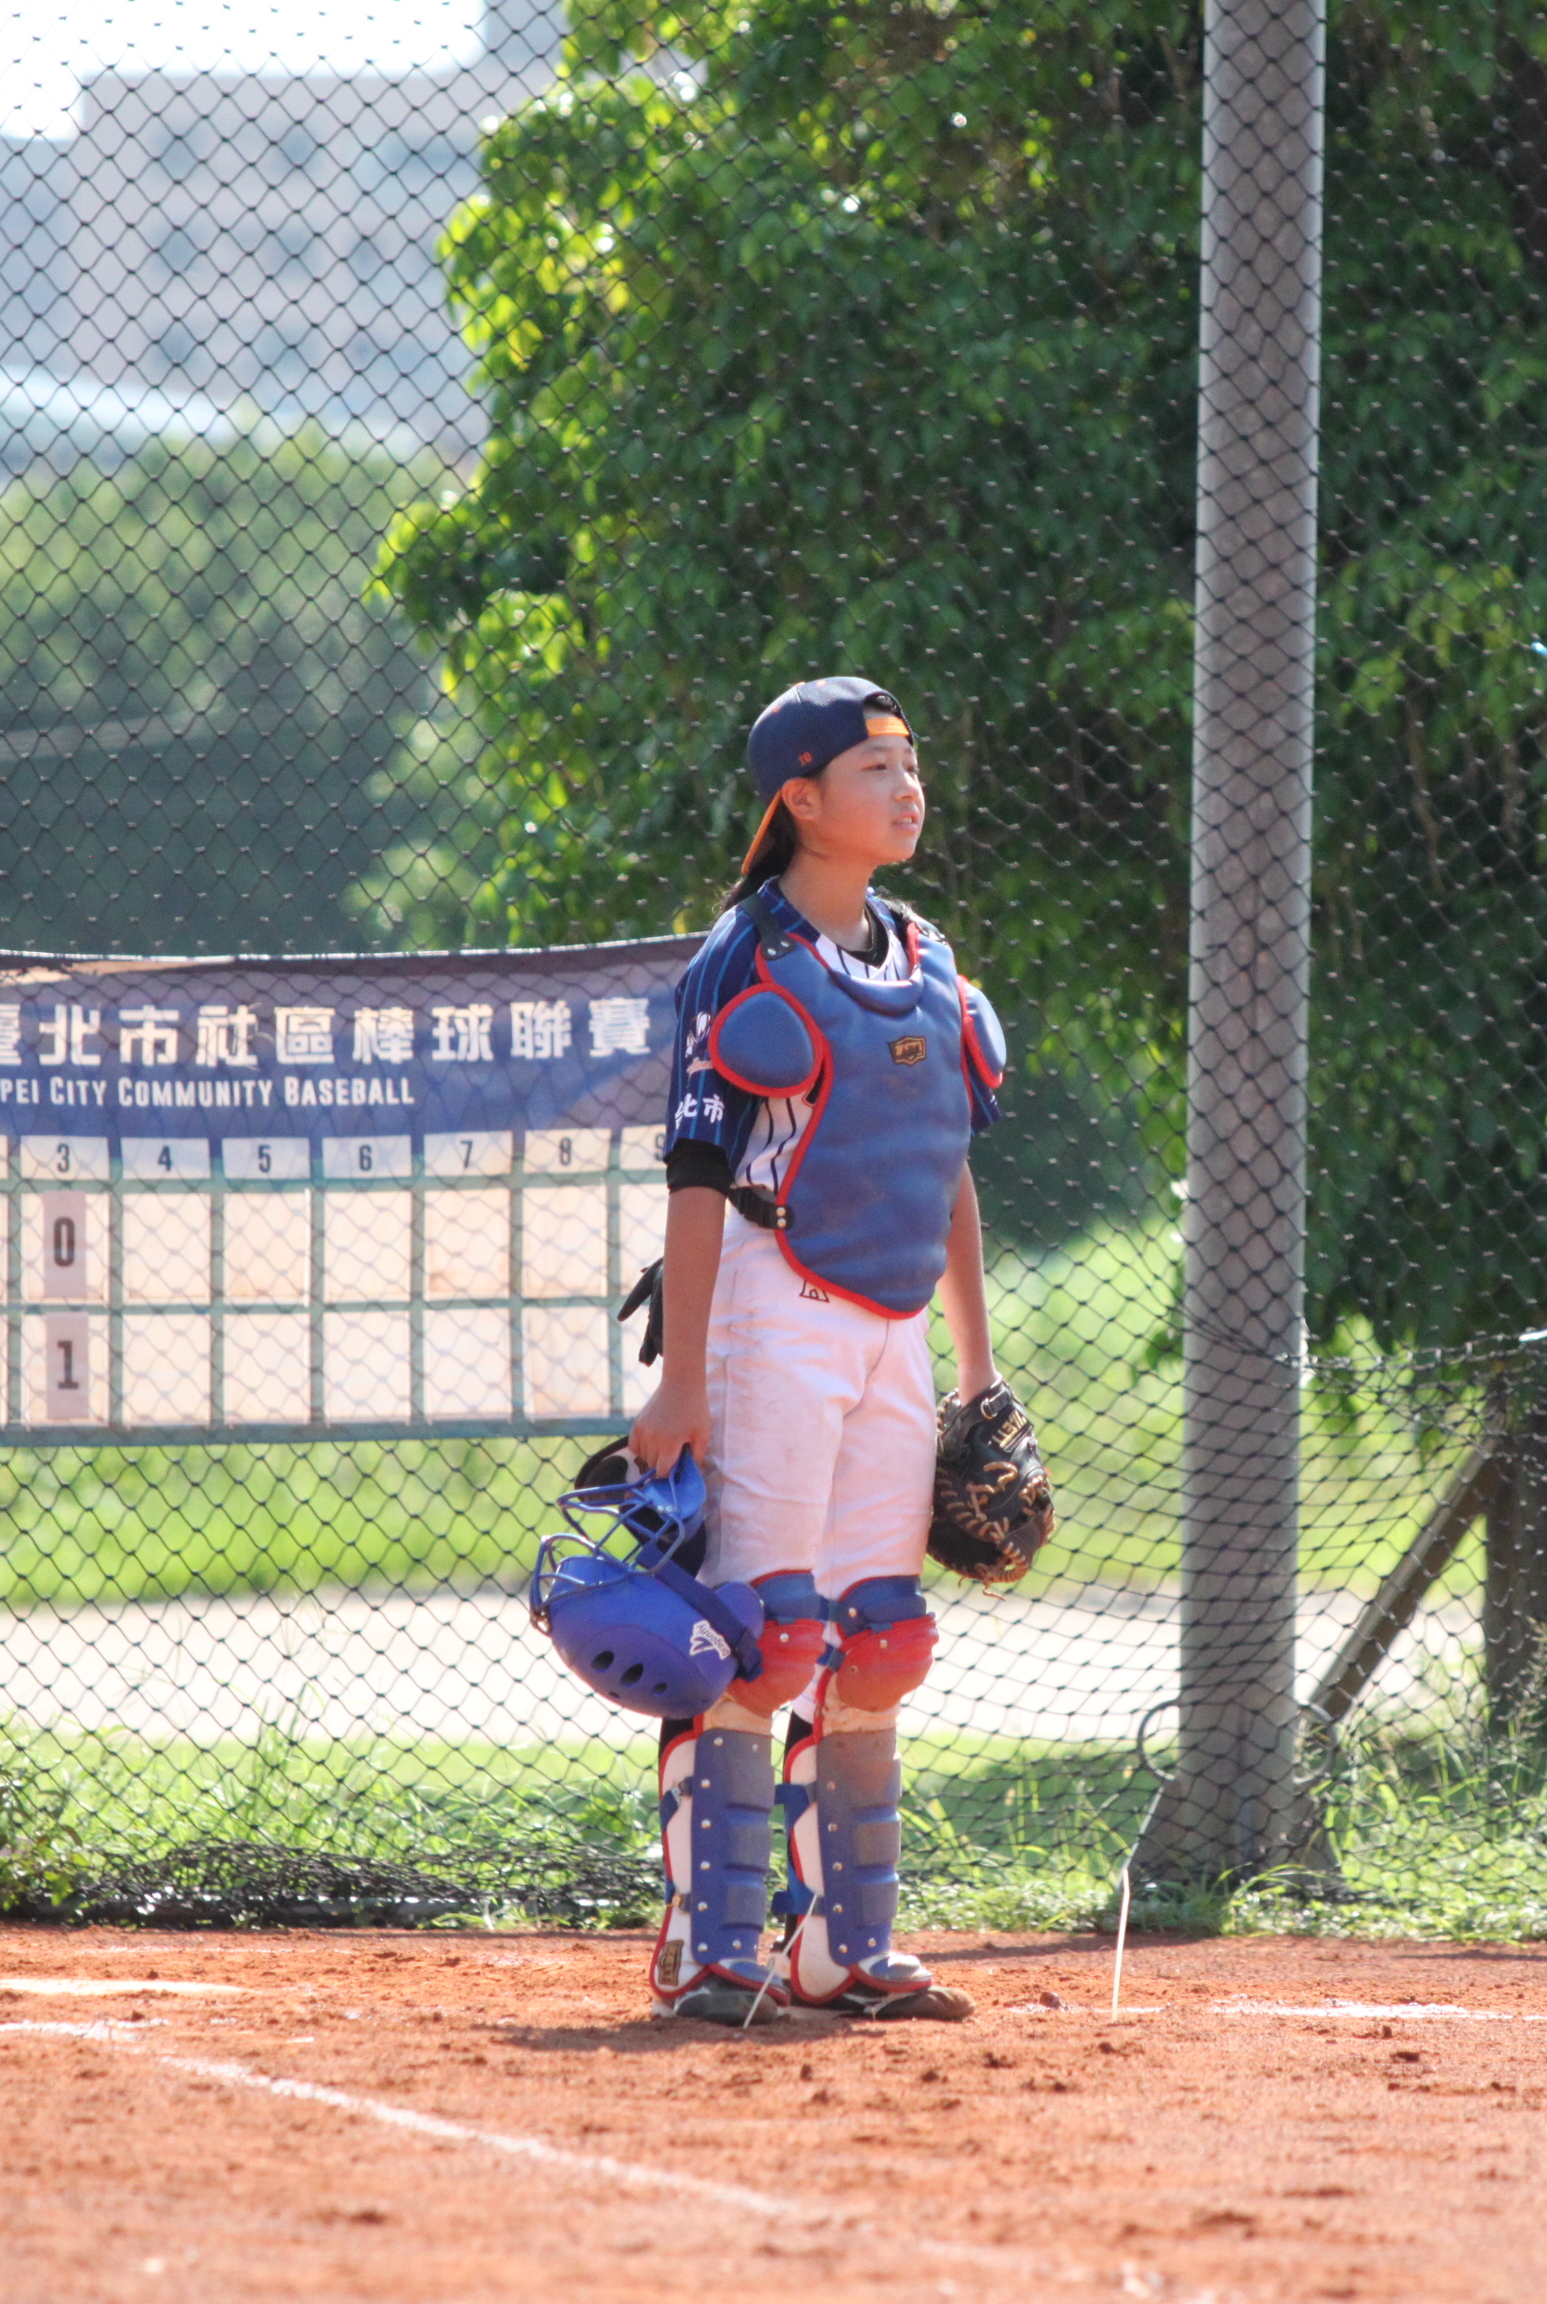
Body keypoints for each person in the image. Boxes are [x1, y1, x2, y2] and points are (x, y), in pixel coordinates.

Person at [627, 676, 1008, 2023]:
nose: (907, 789)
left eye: (911, 765)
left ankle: (842, 1952)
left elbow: (945, 1167)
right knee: (763, 1632)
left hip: (893, 1328)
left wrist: (978, 1371)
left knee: (879, 1637)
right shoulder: (745, 958)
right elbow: (693, 1178)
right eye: (873, 770)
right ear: (799, 798)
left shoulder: (928, 956)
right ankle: (711, 1946)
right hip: (768, 1308)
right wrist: (681, 1378)